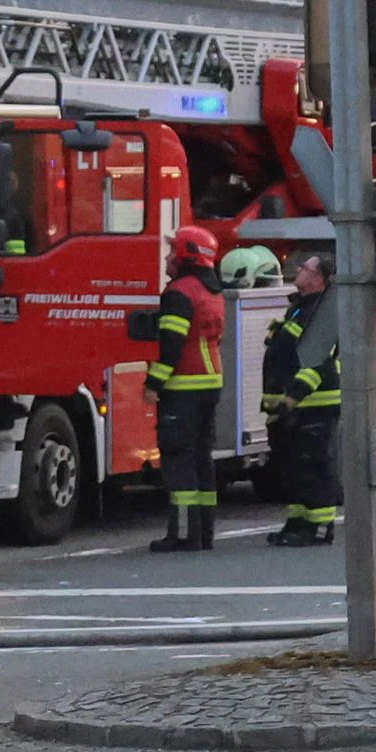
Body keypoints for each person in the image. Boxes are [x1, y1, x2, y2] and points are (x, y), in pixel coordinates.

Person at [139, 226, 229, 553]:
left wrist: (153, 384)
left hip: (183, 388)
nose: (167, 258)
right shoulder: (211, 291)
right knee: (202, 460)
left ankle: (182, 535)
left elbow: (172, 347)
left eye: (172, 252)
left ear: (186, 255)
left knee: (178, 461)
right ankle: (204, 534)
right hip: (209, 384)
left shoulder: (179, 293)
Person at [261, 251, 344, 547]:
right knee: (293, 469)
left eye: (306, 267)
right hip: (291, 407)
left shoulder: (321, 312)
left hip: (313, 405)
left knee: (313, 467)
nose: (298, 269)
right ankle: (298, 522)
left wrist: (293, 398)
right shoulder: (300, 308)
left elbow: (317, 362)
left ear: (319, 278)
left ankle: (320, 527)